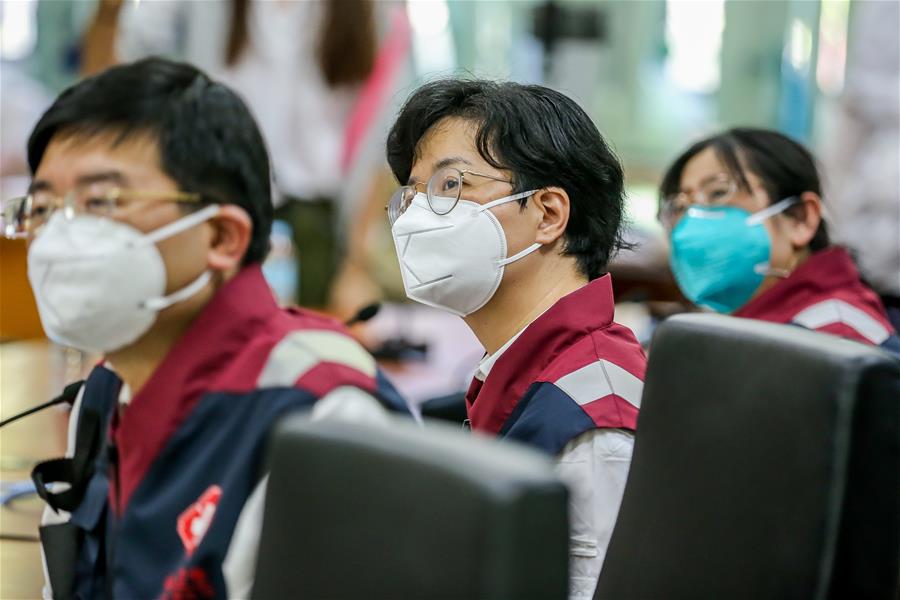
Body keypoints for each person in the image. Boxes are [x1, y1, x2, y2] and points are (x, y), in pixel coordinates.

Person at [10, 57, 407, 600]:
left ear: (221, 236)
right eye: (44, 208)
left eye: (101, 201)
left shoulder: (321, 420)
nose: (59, 238)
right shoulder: (103, 395)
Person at [385, 79, 647, 599]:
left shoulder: (593, 418)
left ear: (548, 214)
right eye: (411, 196)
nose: (414, 218)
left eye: (450, 186)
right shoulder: (526, 368)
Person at [83, 0, 382, 307]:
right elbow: (114, 77)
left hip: (316, 217)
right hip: (215, 196)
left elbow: (379, 136)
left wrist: (358, 263)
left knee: (309, 328)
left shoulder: (372, 9)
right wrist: (108, 14)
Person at [659, 127, 900, 355]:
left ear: (800, 218)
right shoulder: (743, 328)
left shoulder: (835, 337)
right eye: (680, 207)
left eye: (718, 193)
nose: (692, 222)